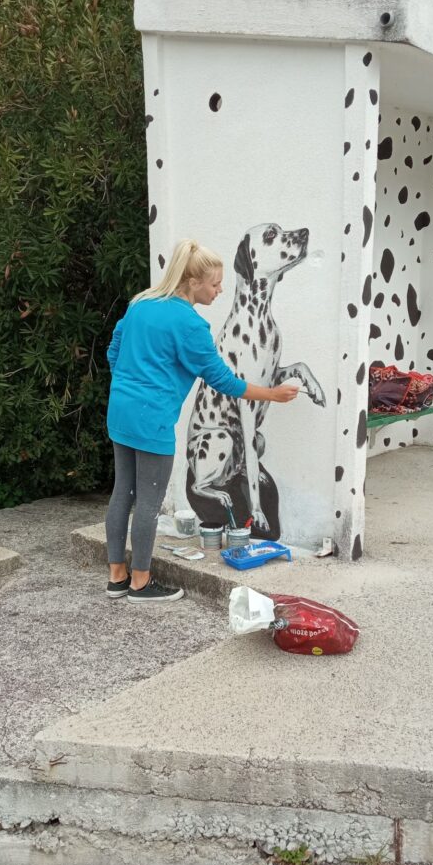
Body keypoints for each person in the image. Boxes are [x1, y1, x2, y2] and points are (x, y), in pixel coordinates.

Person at [105, 239, 299, 603]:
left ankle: (117, 577)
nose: (220, 289)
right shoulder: (191, 324)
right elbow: (222, 379)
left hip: (120, 411)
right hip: (153, 420)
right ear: (192, 282)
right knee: (148, 502)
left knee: (123, 492)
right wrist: (272, 394)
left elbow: (114, 349)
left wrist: (128, 386)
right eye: (215, 283)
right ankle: (140, 584)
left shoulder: (140, 303)